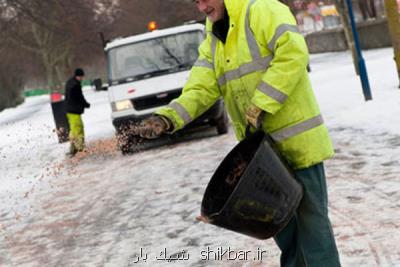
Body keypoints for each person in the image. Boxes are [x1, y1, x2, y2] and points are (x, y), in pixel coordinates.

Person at [134, 0, 341, 266]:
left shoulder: (263, 9)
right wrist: (168, 118)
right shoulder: (214, 37)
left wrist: (262, 103)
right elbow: (200, 88)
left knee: (313, 230)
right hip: (261, 159)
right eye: (196, 1)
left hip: (298, 144)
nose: (202, 8)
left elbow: (293, 52)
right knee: (284, 233)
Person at [65, 68, 90, 156]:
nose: (82, 78)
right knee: (78, 129)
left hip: (69, 110)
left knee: (74, 129)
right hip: (74, 111)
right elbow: (79, 97)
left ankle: (73, 148)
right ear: (79, 76)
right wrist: (85, 104)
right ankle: (80, 148)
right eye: (82, 76)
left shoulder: (70, 82)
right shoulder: (75, 85)